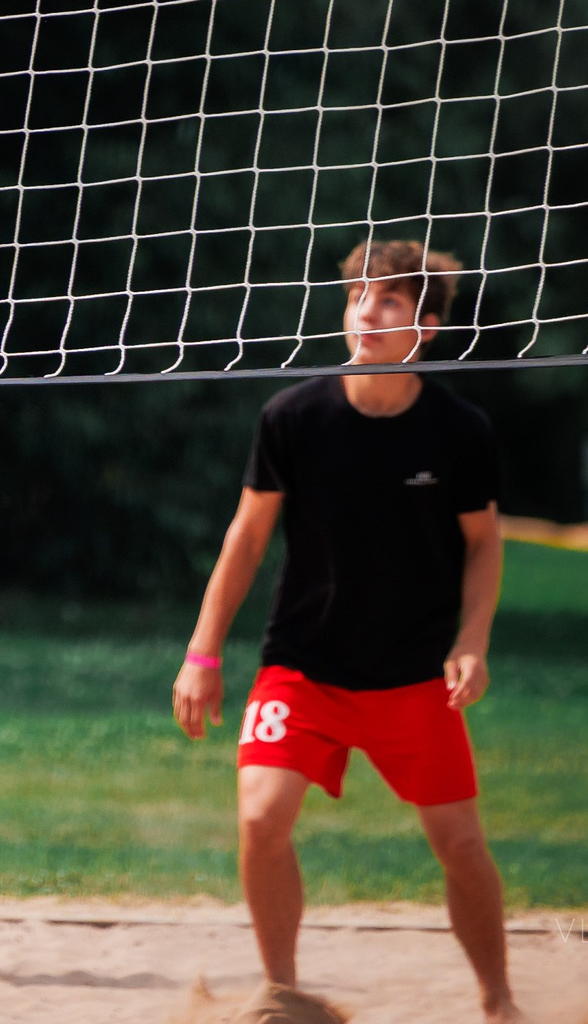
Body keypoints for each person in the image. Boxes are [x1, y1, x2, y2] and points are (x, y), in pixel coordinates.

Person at [171, 241, 519, 1023]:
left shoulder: (459, 429)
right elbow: (246, 537)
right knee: (260, 818)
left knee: (461, 844)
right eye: (359, 294)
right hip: (304, 665)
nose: (367, 310)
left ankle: (499, 1001)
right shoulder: (293, 416)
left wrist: (472, 639)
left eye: (389, 299)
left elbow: (484, 542)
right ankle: (283, 994)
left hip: (413, 674)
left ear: (426, 326)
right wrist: (202, 652)